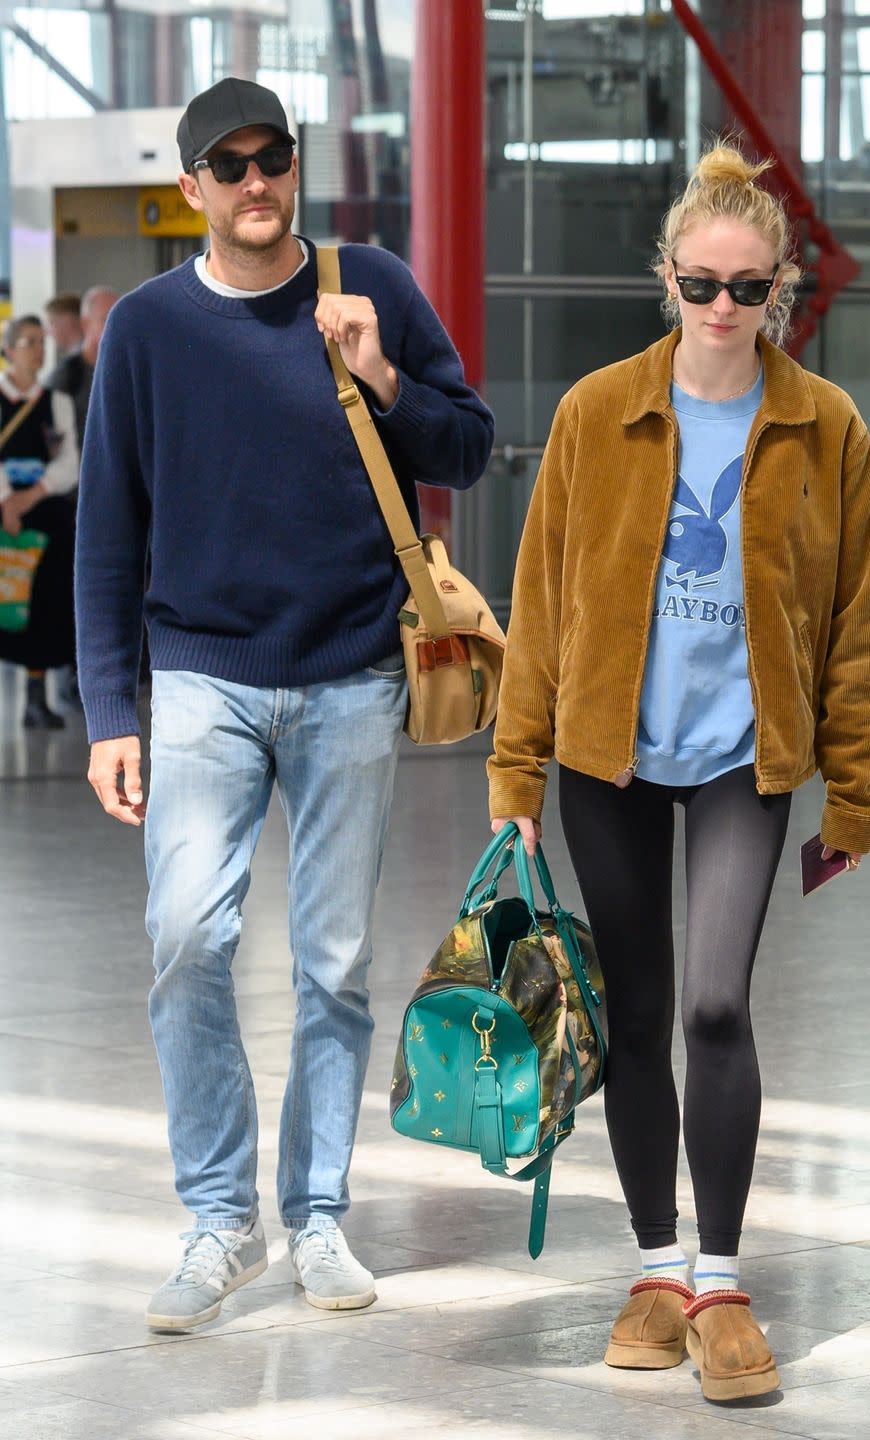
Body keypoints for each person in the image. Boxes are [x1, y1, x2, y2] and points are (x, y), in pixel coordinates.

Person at [75, 77, 494, 1333]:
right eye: (230, 163)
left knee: (333, 964)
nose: (257, 182)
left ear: (294, 168)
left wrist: (381, 374)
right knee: (189, 939)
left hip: (354, 677)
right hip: (202, 678)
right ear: (192, 186)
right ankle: (219, 1221)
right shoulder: (148, 331)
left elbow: (467, 449)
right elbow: (109, 532)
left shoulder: (369, 285)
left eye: (275, 159)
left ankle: (316, 1218)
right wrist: (109, 709)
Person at [487, 144, 870, 1402]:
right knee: (641, 1018)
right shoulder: (596, 410)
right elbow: (541, 602)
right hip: (608, 756)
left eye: (750, 289)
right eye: (702, 284)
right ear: (664, 279)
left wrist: (858, 790)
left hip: (744, 758)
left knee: (717, 1004)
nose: (724, 309)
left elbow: (857, 622)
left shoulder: (826, 427)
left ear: (779, 294)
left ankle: (720, 1282)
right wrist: (516, 779)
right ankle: (656, 1269)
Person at [0, 315, 80, 727]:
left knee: (45, 603)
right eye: (28, 341)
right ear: (9, 349)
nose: (37, 349)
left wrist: (31, 495)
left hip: (45, 513)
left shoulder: (57, 402)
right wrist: (6, 501)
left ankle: (37, 696)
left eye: (40, 342)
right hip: (3, 513)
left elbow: (70, 464)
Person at [48, 286, 119, 451]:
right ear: (85, 323)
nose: (116, 327)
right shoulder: (66, 376)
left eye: (119, 319)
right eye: (106, 319)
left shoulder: (127, 371)